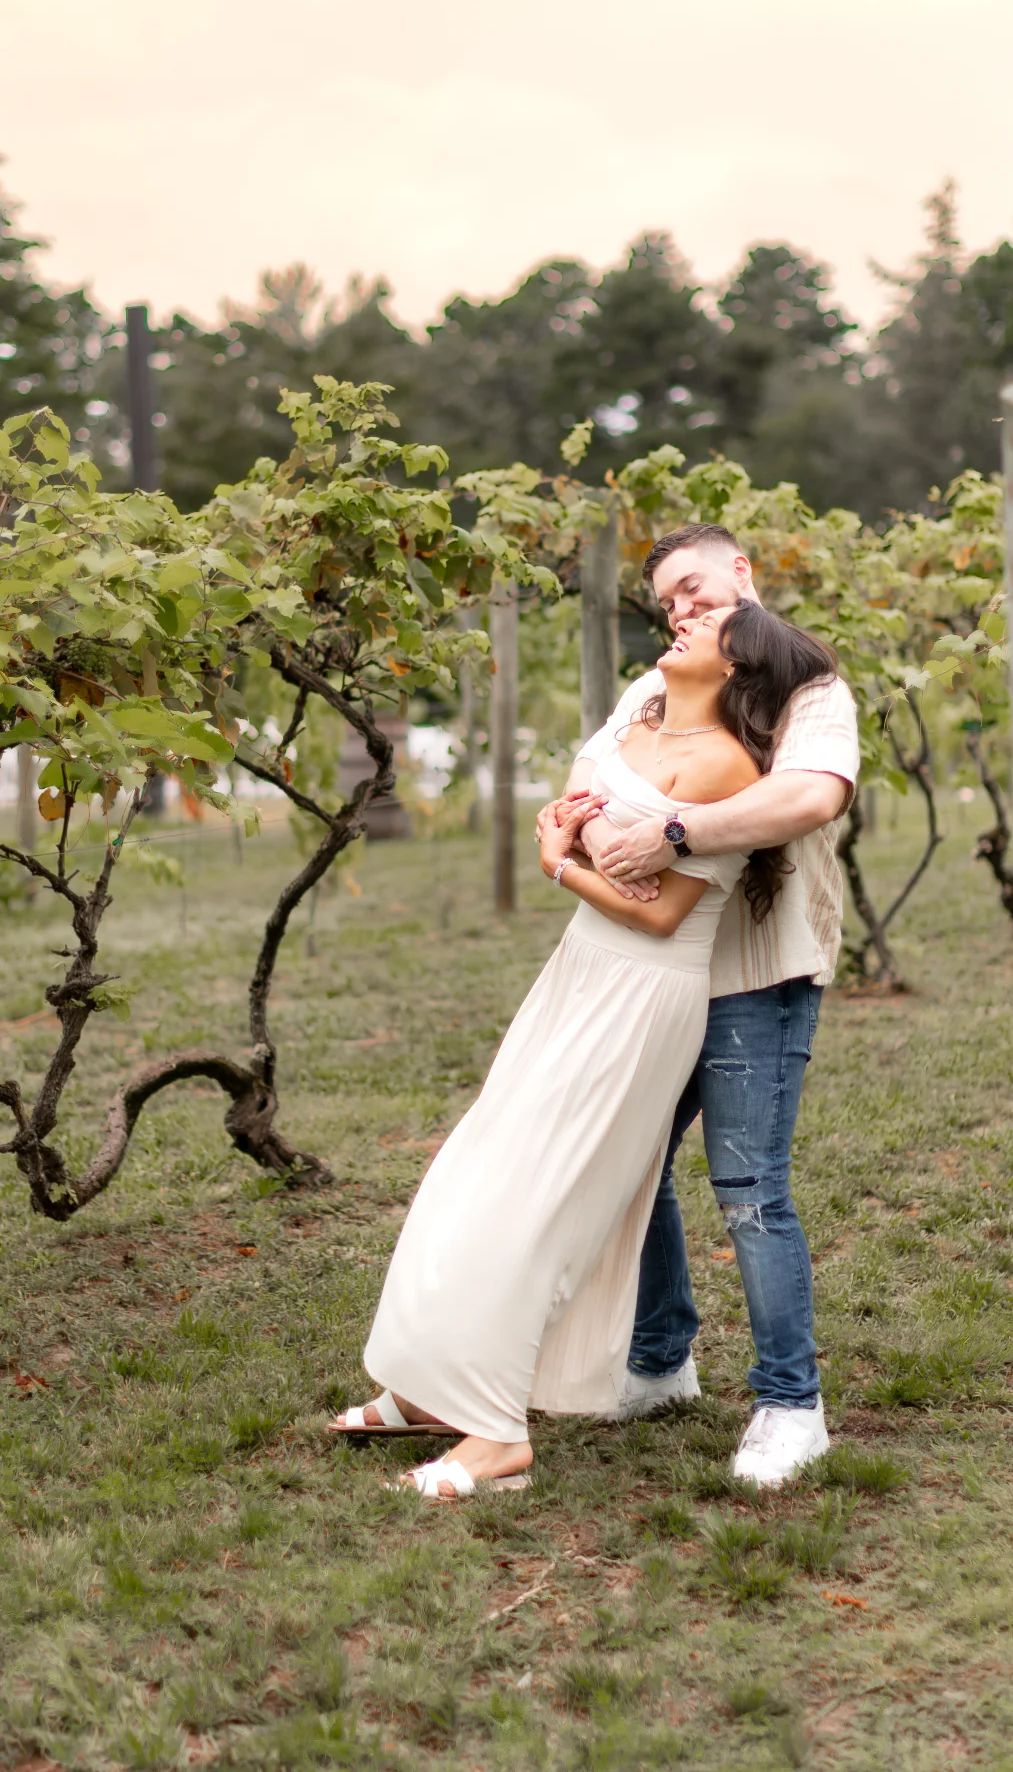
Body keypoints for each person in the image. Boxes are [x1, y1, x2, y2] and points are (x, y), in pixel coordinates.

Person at [330, 599, 837, 1500]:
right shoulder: (636, 722)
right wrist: (580, 840)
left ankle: (496, 1436)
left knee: (540, 1202)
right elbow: (589, 816)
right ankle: (431, 1388)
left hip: (642, 998)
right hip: (577, 973)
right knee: (476, 1173)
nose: (682, 620)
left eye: (709, 623)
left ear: (735, 666)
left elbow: (660, 912)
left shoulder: (725, 764)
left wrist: (560, 864)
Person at [549, 523, 858, 1487]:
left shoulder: (808, 685)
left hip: (753, 973)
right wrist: (585, 833)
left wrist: (674, 831)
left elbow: (808, 797)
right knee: (630, 1165)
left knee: (749, 1188)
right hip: (653, 972)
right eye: (667, 602)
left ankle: (791, 1404)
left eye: (692, 586)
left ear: (741, 571)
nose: (679, 609)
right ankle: (659, 1361)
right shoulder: (656, 686)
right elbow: (586, 781)